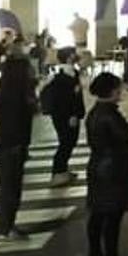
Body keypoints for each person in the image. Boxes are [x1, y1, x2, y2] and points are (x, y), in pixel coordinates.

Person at [85, 72, 128, 256]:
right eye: (118, 89)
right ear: (111, 91)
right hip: (113, 170)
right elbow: (126, 139)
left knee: (97, 214)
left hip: (97, 166)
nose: (121, 92)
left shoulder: (95, 113)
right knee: (112, 217)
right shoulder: (109, 115)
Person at [0, 53, 36, 242]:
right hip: (11, 146)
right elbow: (13, 123)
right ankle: (5, 228)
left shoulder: (10, 91)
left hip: (9, 145)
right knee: (9, 189)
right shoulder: (14, 96)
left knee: (10, 188)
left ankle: (8, 225)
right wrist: (18, 146)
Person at [40, 51, 86, 187]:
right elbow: (67, 99)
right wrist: (72, 114)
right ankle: (58, 172)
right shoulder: (64, 76)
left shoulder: (67, 73)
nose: (76, 55)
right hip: (66, 115)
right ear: (68, 57)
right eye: (73, 54)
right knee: (67, 142)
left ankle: (62, 170)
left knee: (67, 142)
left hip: (64, 115)